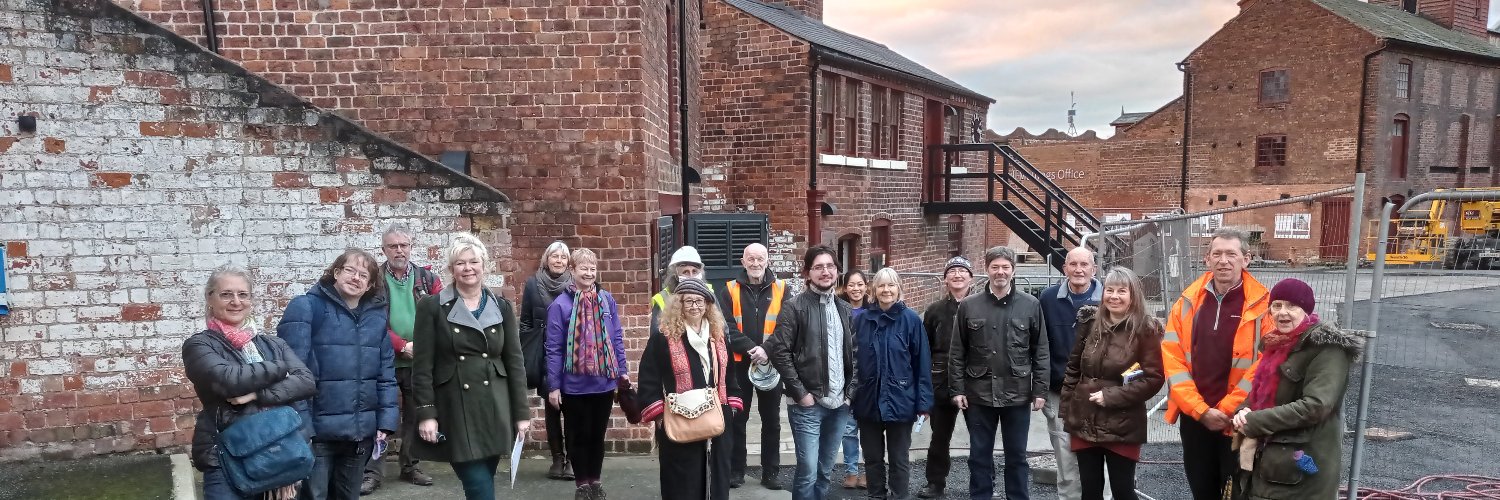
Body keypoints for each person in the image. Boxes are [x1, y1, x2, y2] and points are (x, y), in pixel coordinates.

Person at [408, 234, 532, 500]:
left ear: (483, 265)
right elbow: (422, 366)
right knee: (477, 483)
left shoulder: (501, 307)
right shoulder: (432, 307)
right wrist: (427, 413)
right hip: (455, 407)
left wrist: (522, 413)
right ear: (451, 269)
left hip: (495, 406)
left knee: (484, 477)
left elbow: (515, 362)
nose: (467, 268)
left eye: (473, 261)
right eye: (460, 263)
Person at [185, 267, 317, 500]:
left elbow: (306, 381)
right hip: (228, 456)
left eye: (243, 294)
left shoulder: (271, 344)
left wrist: (257, 394)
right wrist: (280, 368)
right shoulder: (199, 346)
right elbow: (230, 381)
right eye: (226, 294)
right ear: (210, 298)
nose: (236, 302)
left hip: (280, 451)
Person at [1161, 229, 1273, 500]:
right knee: (1201, 490)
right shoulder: (1187, 302)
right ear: (1207, 259)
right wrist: (1200, 411)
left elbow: (1263, 365)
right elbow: (1172, 359)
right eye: (1217, 254)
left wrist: (1224, 411)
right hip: (1195, 419)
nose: (1224, 261)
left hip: (1237, 420)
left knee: (1236, 493)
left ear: (1246, 259)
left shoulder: (1263, 306)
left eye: (1231, 254)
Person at [278, 249, 397, 500]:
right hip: (317, 433)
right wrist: (301, 426)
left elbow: (385, 374)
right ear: (335, 273)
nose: (356, 278)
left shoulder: (376, 318)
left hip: (358, 434)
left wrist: (386, 420)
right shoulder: (306, 307)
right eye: (350, 270)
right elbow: (291, 373)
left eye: (363, 275)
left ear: (370, 285)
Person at [1231, 279, 1359, 499]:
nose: (1283, 312)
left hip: (1300, 471)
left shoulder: (1327, 349)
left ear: (1307, 310)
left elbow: (1316, 406)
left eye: (1292, 306)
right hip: (1271, 465)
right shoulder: (1278, 344)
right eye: (1277, 305)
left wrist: (1254, 421)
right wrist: (1242, 411)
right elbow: (1260, 392)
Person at [948, 246, 1049, 500]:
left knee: (1017, 456)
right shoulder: (969, 306)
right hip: (979, 395)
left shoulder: (1030, 305)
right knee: (979, 456)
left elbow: (1041, 351)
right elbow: (957, 351)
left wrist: (1040, 389)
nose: (1000, 272)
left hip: (1017, 395)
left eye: (1005, 267)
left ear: (1013, 271)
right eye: (995, 267)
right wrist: (957, 389)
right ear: (986, 270)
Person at [1060, 267, 1165, 500]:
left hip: (1123, 422)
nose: (1114, 296)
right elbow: (1073, 369)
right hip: (1085, 417)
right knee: (1089, 490)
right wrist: (1068, 411)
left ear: (1133, 295)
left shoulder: (1145, 330)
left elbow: (1154, 378)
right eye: (1109, 290)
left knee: (1122, 491)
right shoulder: (1089, 324)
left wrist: (1112, 396)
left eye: (1121, 291)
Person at [638, 278, 746, 500]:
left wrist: (732, 404)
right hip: (681, 417)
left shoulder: (718, 336)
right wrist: (659, 415)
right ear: (679, 304)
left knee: (718, 474)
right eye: (689, 301)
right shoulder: (663, 337)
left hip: (717, 415)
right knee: (682, 476)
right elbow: (648, 377)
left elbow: (731, 374)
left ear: (707, 305)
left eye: (699, 301)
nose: (695, 306)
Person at [763, 245, 854, 500]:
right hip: (807, 405)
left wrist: (850, 394)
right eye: (818, 267)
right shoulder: (794, 307)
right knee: (808, 471)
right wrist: (801, 394)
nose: (825, 272)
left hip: (840, 405)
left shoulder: (845, 310)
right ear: (808, 272)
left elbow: (856, 356)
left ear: (837, 271)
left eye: (830, 266)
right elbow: (780, 352)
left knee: (825, 470)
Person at [363, 224, 443, 494]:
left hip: (418, 360)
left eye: (404, 245)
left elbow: (440, 316)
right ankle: (372, 472)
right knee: (380, 417)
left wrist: (420, 346)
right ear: (384, 249)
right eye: (393, 246)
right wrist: (400, 345)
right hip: (384, 359)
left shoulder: (428, 279)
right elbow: (370, 320)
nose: (399, 250)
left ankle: (410, 466)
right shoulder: (374, 280)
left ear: (411, 247)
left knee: (414, 414)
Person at [546, 248, 629, 500]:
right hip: (573, 386)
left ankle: (595, 482)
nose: (589, 273)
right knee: (578, 437)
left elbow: (616, 338)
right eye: (583, 268)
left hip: (603, 383)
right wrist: (553, 386)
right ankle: (581, 485)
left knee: (597, 437)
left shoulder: (606, 301)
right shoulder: (559, 305)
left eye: (592, 268)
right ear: (572, 271)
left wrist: (622, 373)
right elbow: (553, 348)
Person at [850, 268, 933, 500]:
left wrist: (923, 403)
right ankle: (876, 495)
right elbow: (852, 360)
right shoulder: (862, 320)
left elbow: (922, 364)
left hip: (901, 399)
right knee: (872, 457)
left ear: (899, 289)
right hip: (868, 399)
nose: (886, 290)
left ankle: (900, 496)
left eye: (891, 285)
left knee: (898, 458)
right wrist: (851, 395)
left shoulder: (912, 321)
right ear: (873, 291)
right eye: (881, 286)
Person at [718, 243, 791, 490]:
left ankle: (771, 473)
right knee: (738, 418)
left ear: (768, 260)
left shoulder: (783, 289)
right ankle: (736, 471)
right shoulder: (729, 290)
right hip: (740, 365)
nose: (756, 263)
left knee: (772, 421)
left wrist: (766, 350)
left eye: (760, 258)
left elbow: (786, 327)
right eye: (751, 259)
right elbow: (726, 326)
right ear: (743, 261)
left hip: (772, 365)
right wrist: (753, 348)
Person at [1039, 247, 1102, 500]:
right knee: (1065, 457)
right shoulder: (1048, 299)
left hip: (1099, 392)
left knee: (1101, 455)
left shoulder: (1109, 298)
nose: (1078, 270)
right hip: (1060, 391)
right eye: (1073, 264)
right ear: (1064, 268)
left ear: (1094, 269)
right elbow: (1040, 345)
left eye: (1084, 265)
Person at [918, 256, 975, 499]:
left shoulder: (981, 306)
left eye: (963, 271)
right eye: (952, 271)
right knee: (939, 436)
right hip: (941, 380)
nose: (958, 275)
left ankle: (984, 482)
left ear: (971, 278)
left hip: (974, 379)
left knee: (980, 436)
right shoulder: (934, 311)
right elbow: (925, 349)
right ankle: (935, 483)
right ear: (945, 279)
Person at [521, 240, 575, 481]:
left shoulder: (576, 284)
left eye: (563, 257)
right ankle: (557, 458)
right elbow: (525, 321)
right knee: (552, 407)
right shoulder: (533, 284)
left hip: (572, 352)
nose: (559, 261)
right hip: (545, 352)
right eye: (555, 256)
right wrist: (529, 347)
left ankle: (573, 458)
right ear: (546, 259)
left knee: (573, 408)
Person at [837, 269, 873, 489]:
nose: (856, 289)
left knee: (869, 428)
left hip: (868, 375)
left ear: (866, 286)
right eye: (851, 285)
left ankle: (870, 470)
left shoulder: (874, 310)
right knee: (849, 429)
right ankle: (851, 470)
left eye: (860, 284)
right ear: (845, 287)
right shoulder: (839, 309)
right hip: (846, 376)